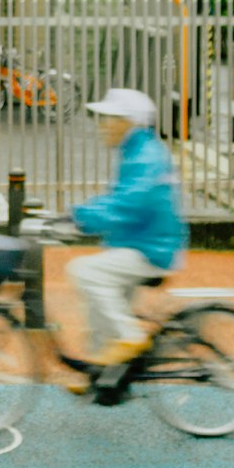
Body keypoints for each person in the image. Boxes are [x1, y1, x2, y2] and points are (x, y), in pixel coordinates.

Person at [65, 86, 188, 368]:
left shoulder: (146, 157)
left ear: (128, 122)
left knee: (84, 271)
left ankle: (132, 337)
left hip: (150, 248)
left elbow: (127, 204)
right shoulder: (138, 150)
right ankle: (102, 372)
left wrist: (80, 218)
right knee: (100, 304)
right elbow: (119, 200)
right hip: (138, 243)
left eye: (110, 119)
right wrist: (77, 215)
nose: (103, 126)